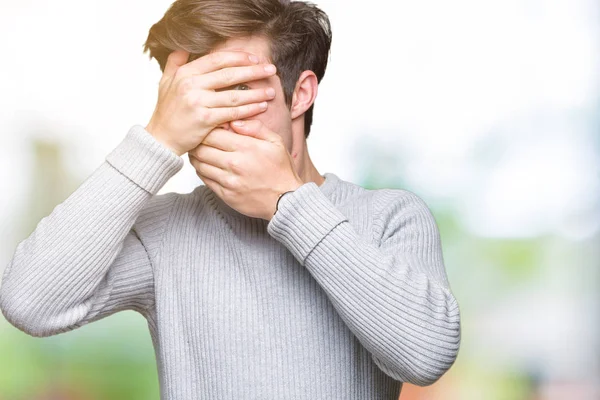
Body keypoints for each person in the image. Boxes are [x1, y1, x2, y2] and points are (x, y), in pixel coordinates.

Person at [0, 0, 461, 398]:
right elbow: (29, 302)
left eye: (235, 89)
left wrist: (288, 203)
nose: (212, 120)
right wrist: (155, 141)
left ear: (300, 94)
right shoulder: (166, 231)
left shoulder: (389, 218)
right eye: (194, 98)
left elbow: (425, 355)